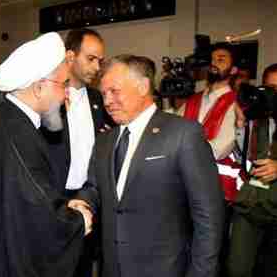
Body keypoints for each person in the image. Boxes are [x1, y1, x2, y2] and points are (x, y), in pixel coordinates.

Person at [71, 55, 225, 277]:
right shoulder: (104, 140)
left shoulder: (183, 134)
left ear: (143, 86)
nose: (107, 101)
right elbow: (95, 187)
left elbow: (209, 216)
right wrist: (81, 202)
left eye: (114, 91)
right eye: (104, 94)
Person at [0, 32, 93, 277]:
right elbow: (36, 215)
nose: (67, 94)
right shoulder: (16, 132)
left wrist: (62, 205)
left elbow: (26, 197)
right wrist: (77, 220)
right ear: (39, 86)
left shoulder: (5, 120)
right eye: (64, 84)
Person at [41, 28, 112, 277]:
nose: (97, 66)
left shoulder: (100, 100)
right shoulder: (47, 98)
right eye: (91, 58)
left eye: (100, 61)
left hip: (90, 197)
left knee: (83, 264)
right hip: (55, 199)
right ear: (70, 57)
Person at [226, 63, 277, 277]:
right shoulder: (257, 117)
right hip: (250, 204)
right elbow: (242, 159)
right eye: (271, 88)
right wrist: (239, 124)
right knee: (237, 268)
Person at [180, 43, 239, 202]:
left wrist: (178, 152)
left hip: (217, 189)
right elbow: (171, 131)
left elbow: (220, 149)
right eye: (212, 60)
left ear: (233, 70)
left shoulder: (237, 103)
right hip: (184, 187)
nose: (214, 64)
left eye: (220, 60)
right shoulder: (193, 99)